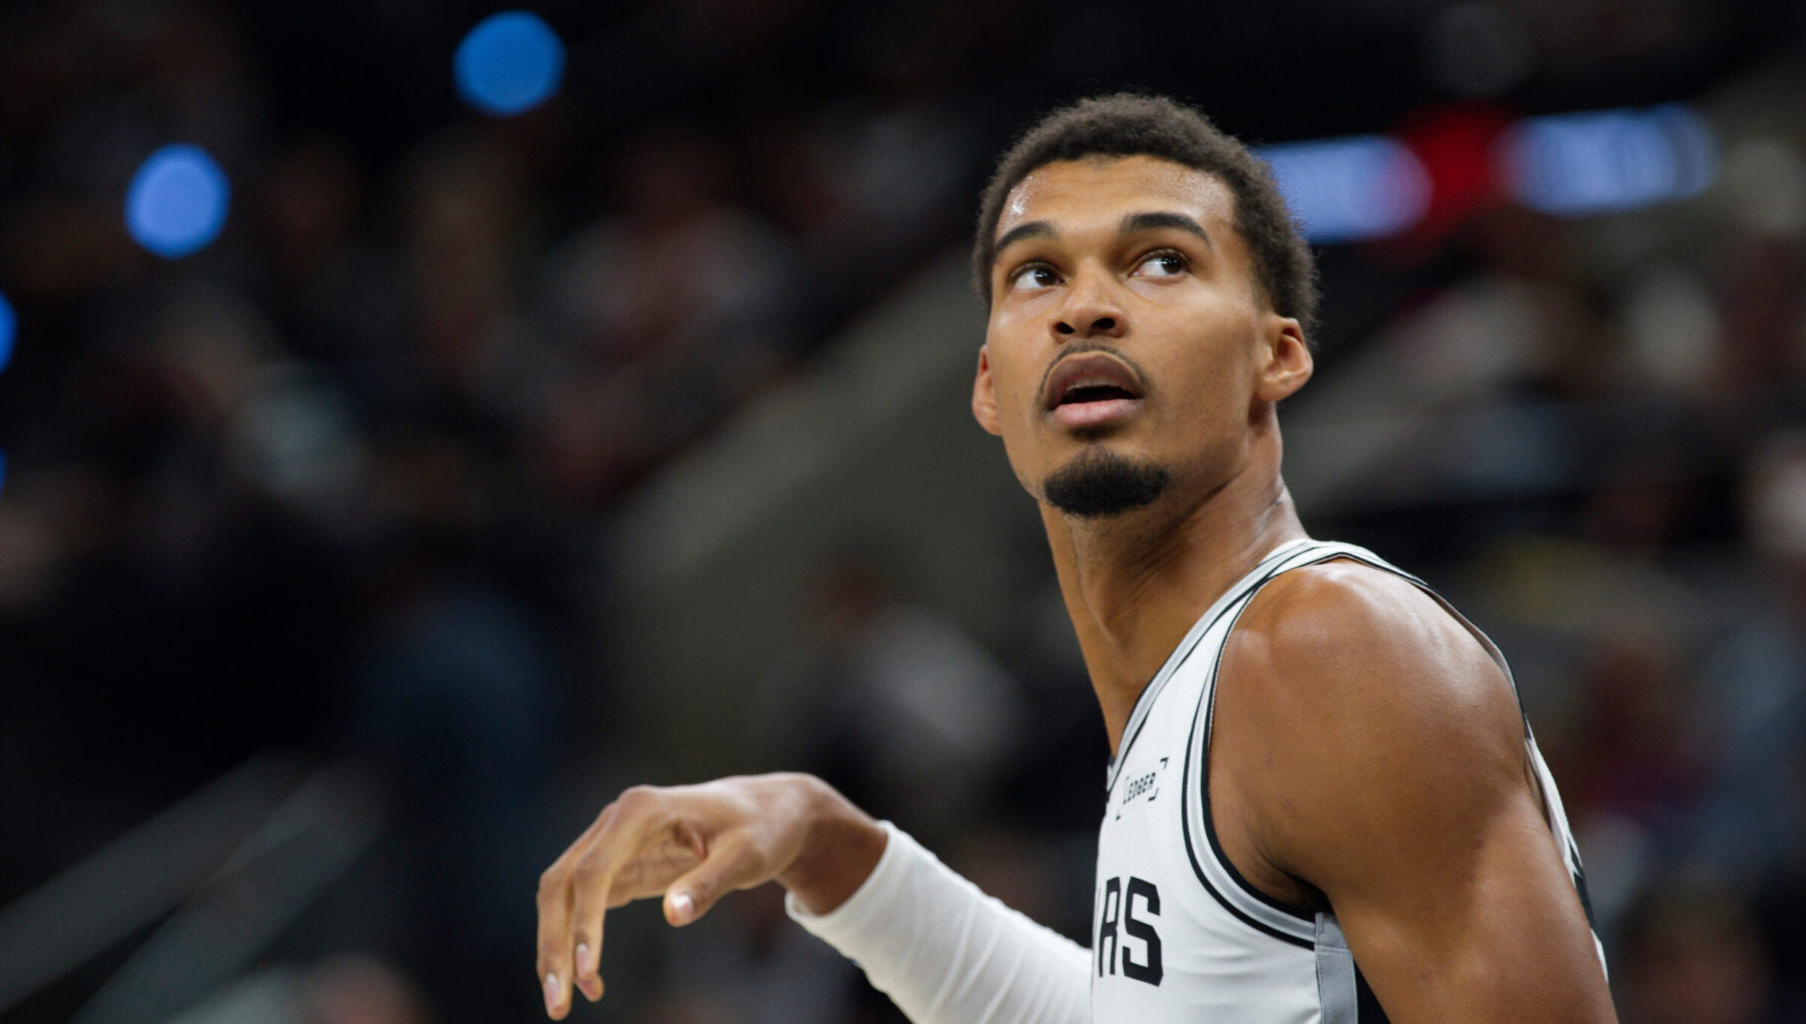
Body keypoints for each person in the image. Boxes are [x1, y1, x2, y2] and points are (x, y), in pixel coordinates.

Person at [534, 94, 1618, 1023]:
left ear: (1276, 355)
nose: (1087, 305)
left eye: (1160, 260)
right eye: (1037, 274)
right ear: (989, 389)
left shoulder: (1328, 648)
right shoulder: (1200, 694)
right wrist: (828, 843)